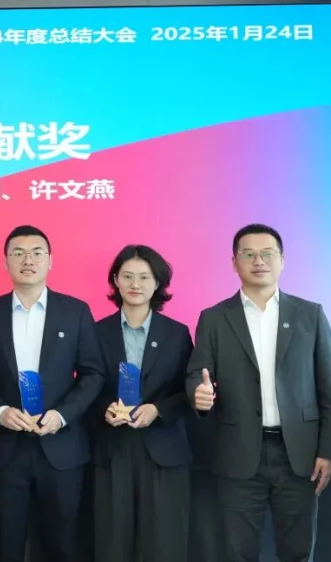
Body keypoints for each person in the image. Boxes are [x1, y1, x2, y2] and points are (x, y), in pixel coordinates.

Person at [186, 223, 331, 562]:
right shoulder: (215, 318)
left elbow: (327, 388)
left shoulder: (310, 314)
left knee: (298, 552)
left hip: (300, 455)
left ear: (282, 260)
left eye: (267, 253)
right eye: (248, 254)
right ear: (234, 262)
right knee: (238, 552)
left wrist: (327, 449)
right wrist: (198, 395)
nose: (259, 261)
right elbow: (196, 372)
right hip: (238, 452)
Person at [0, 225, 105, 562]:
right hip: (6, 448)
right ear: (5, 262)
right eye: (18, 253)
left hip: (61, 448)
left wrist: (62, 415)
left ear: (50, 261)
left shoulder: (75, 311)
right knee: (7, 544)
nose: (27, 260)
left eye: (36, 253)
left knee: (63, 545)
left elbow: (93, 373)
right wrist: (0, 411)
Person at [92, 245, 193, 562]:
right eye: (127, 276)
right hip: (112, 448)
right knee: (112, 543)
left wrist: (159, 409)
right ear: (115, 281)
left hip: (163, 449)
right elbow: (85, 386)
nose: (135, 284)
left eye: (144, 277)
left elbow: (188, 392)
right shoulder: (96, 332)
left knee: (163, 544)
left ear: (157, 282)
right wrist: (104, 408)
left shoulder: (177, 334)